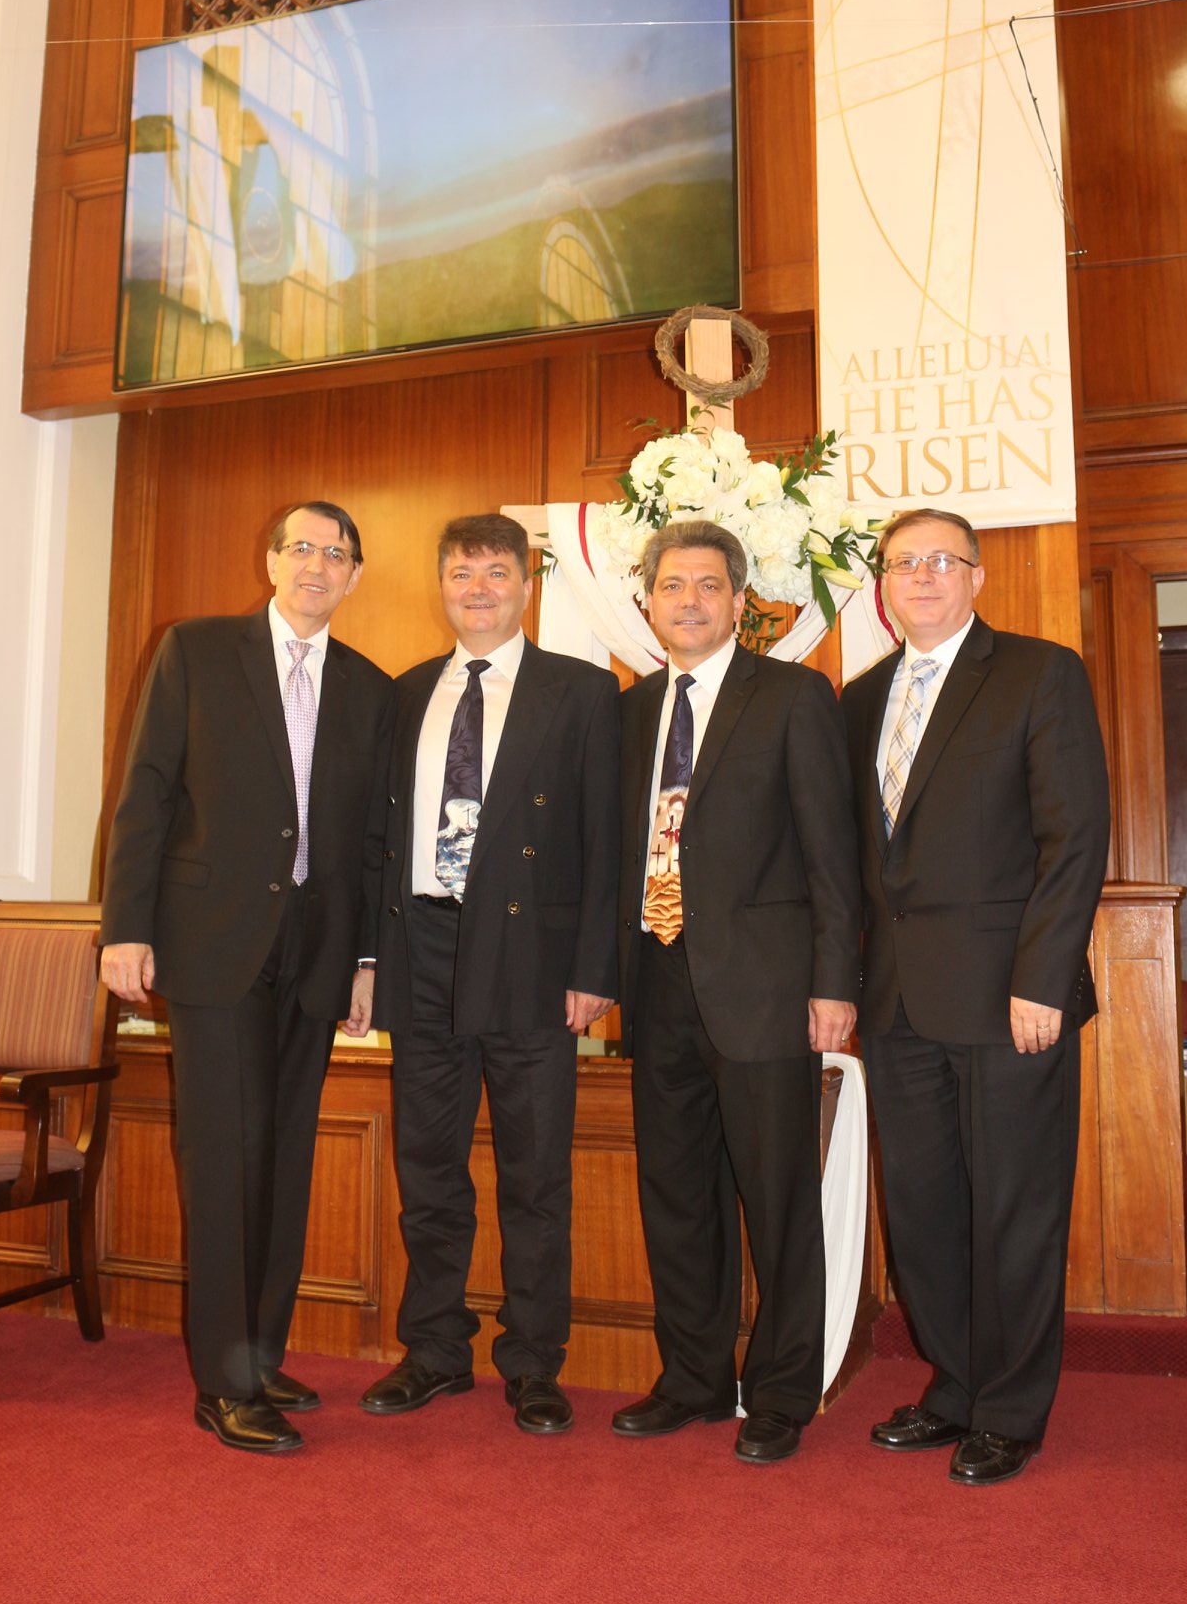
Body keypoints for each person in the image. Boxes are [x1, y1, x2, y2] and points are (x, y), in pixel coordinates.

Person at [99, 501, 393, 1454]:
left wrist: (365, 960)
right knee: (225, 1157)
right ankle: (223, 1382)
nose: (317, 566)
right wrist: (126, 929)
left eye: (336, 554)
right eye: (301, 548)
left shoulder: (370, 687)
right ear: (271, 561)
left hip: (316, 954)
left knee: (284, 1155)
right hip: (212, 942)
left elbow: (370, 841)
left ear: (354, 576)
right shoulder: (195, 650)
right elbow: (145, 792)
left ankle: (262, 1352)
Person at [840, 507, 1109, 1485]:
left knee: (1013, 1211)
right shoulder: (857, 700)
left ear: (977, 576)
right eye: (903, 563)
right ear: (883, 586)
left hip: (1008, 1000)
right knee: (922, 1213)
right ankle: (954, 1387)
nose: (921, 577)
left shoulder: (1038, 674)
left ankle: (1010, 1410)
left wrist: (1044, 978)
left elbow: (1073, 838)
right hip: (897, 1003)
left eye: (941, 561)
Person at [356, 514, 618, 1434]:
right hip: (422, 949)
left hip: (533, 959)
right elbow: (377, 840)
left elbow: (606, 839)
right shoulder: (405, 693)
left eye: (497, 572)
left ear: (526, 585)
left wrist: (595, 968)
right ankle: (434, 1351)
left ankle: (534, 1362)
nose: (478, 589)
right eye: (462, 573)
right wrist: (367, 958)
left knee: (534, 1173)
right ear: (442, 585)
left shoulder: (582, 690)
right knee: (428, 1166)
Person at [611, 518, 860, 1465]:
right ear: (648, 601)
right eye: (672, 586)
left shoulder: (793, 696)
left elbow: (832, 854)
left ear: (740, 602)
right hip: (657, 979)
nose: (689, 601)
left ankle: (785, 1390)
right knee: (677, 1196)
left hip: (765, 989)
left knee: (778, 1198)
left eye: (708, 586)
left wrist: (834, 982)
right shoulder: (632, 709)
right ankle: (695, 1379)